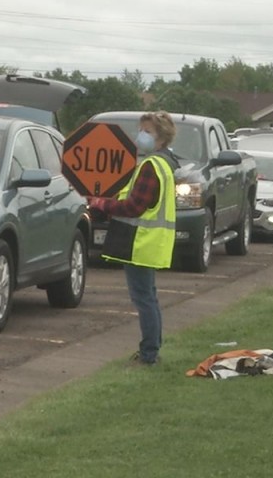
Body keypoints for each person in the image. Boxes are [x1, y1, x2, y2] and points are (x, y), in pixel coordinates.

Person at [88, 112, 178, 366]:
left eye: (147, 131)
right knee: (149, 297)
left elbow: (134, 207)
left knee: (144, 299)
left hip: (141, 242)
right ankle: (152, 350)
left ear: (161, 137)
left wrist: (102, 204)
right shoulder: (163, 164)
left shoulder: (152, 166)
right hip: (149, 242)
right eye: (140, 130)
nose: (141, 135)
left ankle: (149, 354)